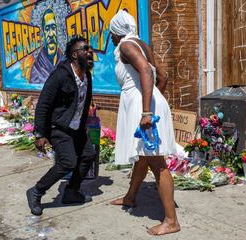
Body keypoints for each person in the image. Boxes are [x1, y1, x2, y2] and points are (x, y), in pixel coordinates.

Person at [108, 10, 181, 236]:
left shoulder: (126, 46)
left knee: (156, 162)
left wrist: (147, 111)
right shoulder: (141, 44)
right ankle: (131, 197)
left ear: (118, 31)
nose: (111, 38)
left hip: (144, 109)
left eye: (111, 33)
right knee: (143, 156)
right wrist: (152, 102)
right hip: (146, 104)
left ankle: (171, 221)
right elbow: (163, 77)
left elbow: (148, 76)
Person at [26, 36, 96, 216]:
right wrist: (40, 133)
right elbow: (43, 104)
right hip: (58, 127)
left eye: (90, 50)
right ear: (74, 55)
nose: (90, 52)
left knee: (88, 154)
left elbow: (83, 101)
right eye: (85, 49)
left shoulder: (86, 75)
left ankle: (72, 191)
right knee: (68, 161)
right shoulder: (60, 75)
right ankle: (36, 191)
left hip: (77, 128)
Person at [30, 8, 63, 84]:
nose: (51, 34)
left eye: (53, 28)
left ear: (58, 31)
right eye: (47, 29)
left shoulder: (64, 61)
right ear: (43, 34)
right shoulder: (37, 68)